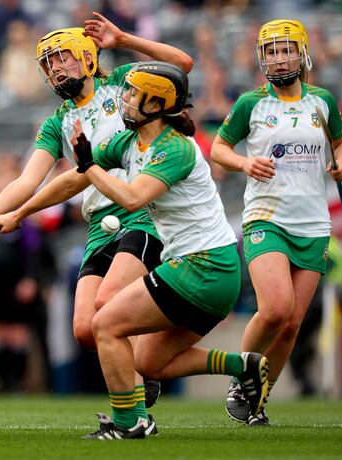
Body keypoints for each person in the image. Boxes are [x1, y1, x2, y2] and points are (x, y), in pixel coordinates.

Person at [0, 13, 192, 425]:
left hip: (139, 212)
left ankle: (134, 416)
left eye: (63, 58)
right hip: (96, 226)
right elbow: (28, 180)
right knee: (86, 330)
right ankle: (142, 366)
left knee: (108, 308)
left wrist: (123, 38)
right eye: (48, 64)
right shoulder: (56, 122)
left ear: (89, 57)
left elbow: (181, 65)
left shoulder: (121, 83)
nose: (55, 69)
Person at [70, 61, 269, 440]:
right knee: (149, 361)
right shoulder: (132, 141)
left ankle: (131, 423)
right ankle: (242, 366)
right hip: (210, 269)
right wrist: (19, 211)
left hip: (203, 266)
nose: (123, 98)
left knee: (105, 324)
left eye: (131, 93)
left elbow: (131, 198)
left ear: (155, 103)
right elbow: (76, 177)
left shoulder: (174, 148)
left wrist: (87, 165)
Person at [210, 19, 342, 426]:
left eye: (286, 49)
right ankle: (240, 379)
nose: (278, 58)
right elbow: (220, 148)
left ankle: (258, 398)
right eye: (271, 51)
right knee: (275, 309)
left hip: (312, 225)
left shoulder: (321, 100)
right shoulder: (250, 104)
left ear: (302, 53)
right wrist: (243, 162)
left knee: (291, 326)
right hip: (266, 218)